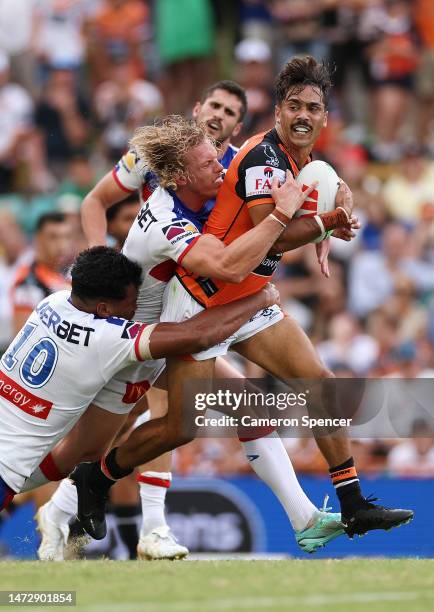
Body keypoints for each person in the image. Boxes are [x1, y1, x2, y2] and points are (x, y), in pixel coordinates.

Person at [72, 57, 412, 543]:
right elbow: (269, 235)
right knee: (181, 427)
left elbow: (327, 181)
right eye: (292, 105)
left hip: (250, 298)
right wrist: (325, 223)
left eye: (312, 107)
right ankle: (98, 477)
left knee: (319, 383)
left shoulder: (299, 162)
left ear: (324, 118)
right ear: (277, 112)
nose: (302, 114)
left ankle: (353, 503)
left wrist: (340, 202)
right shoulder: (262, 158)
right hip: (200, 302)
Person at [40, 81, 346, 561]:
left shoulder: (218, 169)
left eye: (231, 112)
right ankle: (125, 521)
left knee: (231, 408)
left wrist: (318, 223)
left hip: (175, 314)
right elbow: (99, 204)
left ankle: (302, 518)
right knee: (94, 444)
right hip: (136, 334)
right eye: (215, 107)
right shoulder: (158, 189)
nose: (220, 118)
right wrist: (99, 260)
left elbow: (255, 204)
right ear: (197, 110)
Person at [0, 246, 281, 511]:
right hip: (5, 468)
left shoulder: (54, 301)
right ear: (104, 310)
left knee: (82, 451)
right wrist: (261, 299)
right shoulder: (105, 338)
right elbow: (198, 337)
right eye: (133, 303)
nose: (137, 310)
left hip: (14, 456)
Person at [10, 213, 72, 334]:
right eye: (53, 237)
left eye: (66, 237)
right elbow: (22, 336)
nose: (62, 245)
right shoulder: (27, 282)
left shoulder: (67, 273)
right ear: (38, 238)